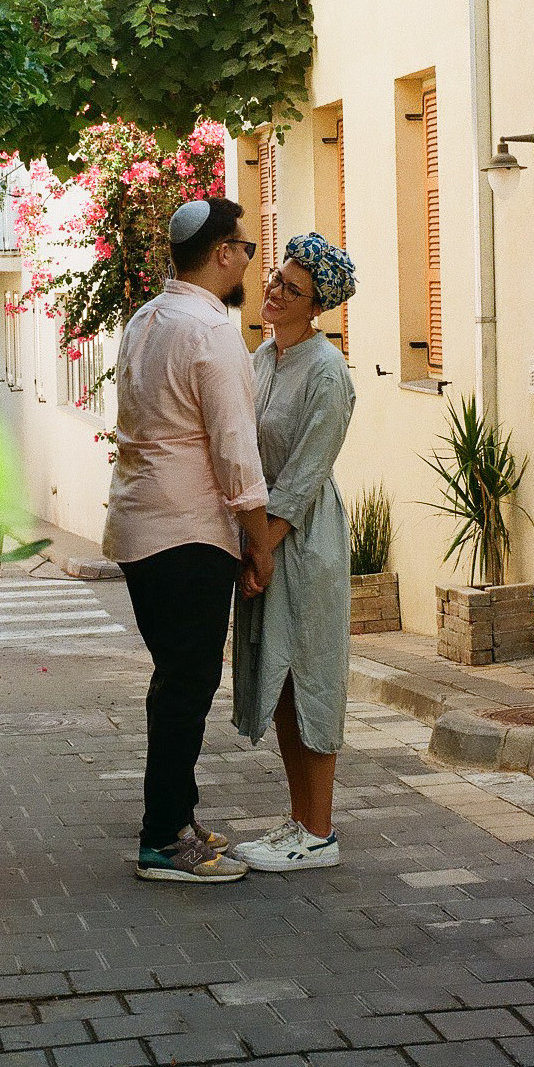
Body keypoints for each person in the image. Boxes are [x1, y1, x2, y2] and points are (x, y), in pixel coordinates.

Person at [103, 196, 275, 884]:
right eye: (246, 249)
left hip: (141, 524)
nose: (247, 263)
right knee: (186, 684)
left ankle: (175, 818)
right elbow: (235, 449)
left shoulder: (147, 319)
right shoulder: (208, 330)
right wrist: (257, 542)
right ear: (223, 253)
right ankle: (162, 840)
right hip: (188, 532)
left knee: (174, 679)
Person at [232, 231, 357, 872]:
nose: (274, 290)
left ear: (317, 306)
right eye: (277, 278)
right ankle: (298, 818)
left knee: (311, 674)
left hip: (305, 541)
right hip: (262, 536)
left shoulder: (329, 374)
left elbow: (306, 472)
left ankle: (321, 831)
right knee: (277, 679)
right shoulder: (260, 359)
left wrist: (265, 548)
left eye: (292, 288)